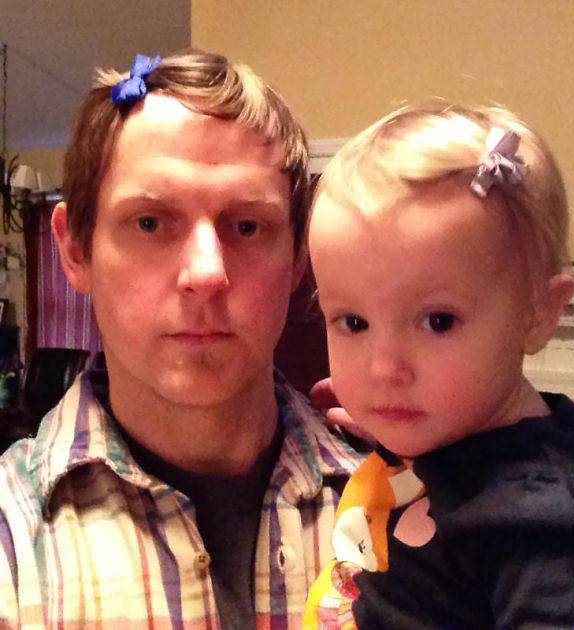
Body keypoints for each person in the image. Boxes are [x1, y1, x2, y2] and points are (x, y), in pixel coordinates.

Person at [0, 50, 361, 628]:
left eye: (247, 226)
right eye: (149, 222)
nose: (206, 273)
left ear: (299, 255)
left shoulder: (408, 503)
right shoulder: (11, 540)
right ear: (74, 251)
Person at [303, 103, 574, 628]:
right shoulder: (453, 439)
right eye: (353, 323)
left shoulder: (541, 526)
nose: (384, 368)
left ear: (539, 314)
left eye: (438, 322)